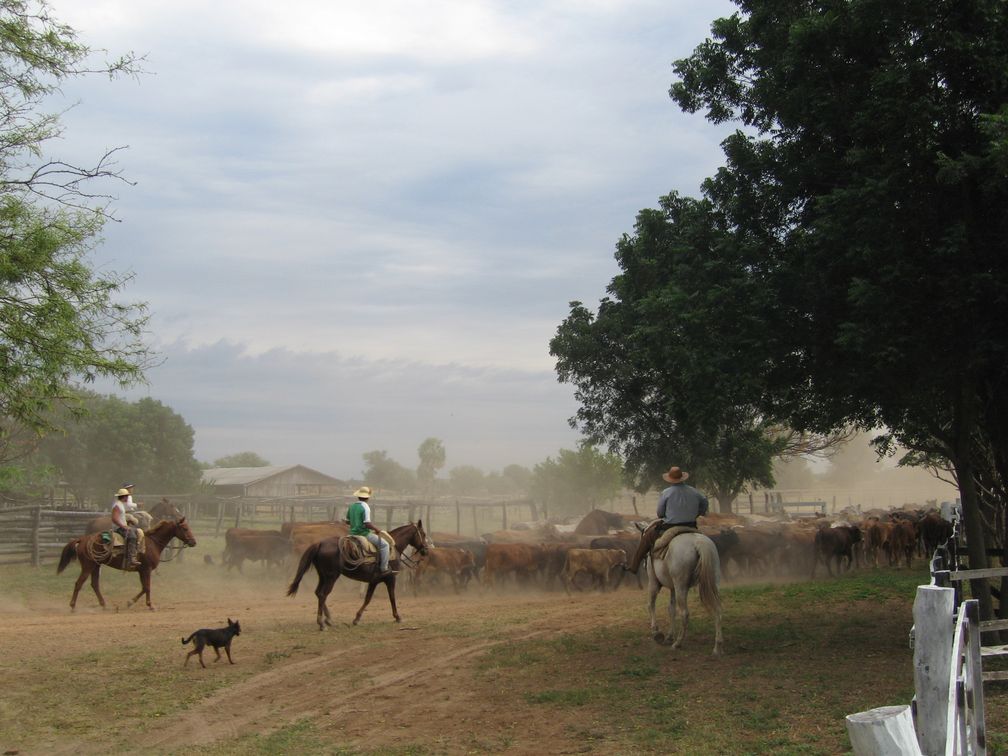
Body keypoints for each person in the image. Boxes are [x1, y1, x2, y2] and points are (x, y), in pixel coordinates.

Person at [626, 466, 709, 573]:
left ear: (670, 479)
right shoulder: (695, 492)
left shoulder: (666, 492)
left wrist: (669, 514)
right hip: (691, 526)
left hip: (670, 527)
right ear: (683, 478)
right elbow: (705, 503)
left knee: (647, 536)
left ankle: (634, 566)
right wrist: (698, 513)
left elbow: (660, 513)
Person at [346, 486, 396, 577]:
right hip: (364, 534)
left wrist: (355, 523)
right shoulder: (365, 507)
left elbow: (347, 521)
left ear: (358, 496)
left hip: (352, 534)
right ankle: (384, 568)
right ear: (368, 497)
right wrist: (377, 530)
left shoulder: (352, 506)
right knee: (385, 545)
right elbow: (367, 524)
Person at [111, 488, 140, 566]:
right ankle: (131, 559)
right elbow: (114, 518)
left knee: (136, 531)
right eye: (127, 496)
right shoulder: (117, 505)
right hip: (118, 528)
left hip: (122, 526)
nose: (128, 498)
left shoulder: (120, 504)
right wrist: (123, 526)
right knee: (132, 536)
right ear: (124, 497)